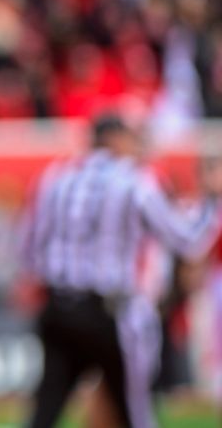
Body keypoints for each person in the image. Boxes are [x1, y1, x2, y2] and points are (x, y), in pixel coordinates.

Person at [20, 114, 222, 428]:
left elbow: (29, 250)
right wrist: (213, 199)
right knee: (134, 412)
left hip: (57, 308)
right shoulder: (133, 179)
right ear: (115, 139)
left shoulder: (54, 177)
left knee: (44, 412)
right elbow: (187, 239)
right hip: (108, 314)